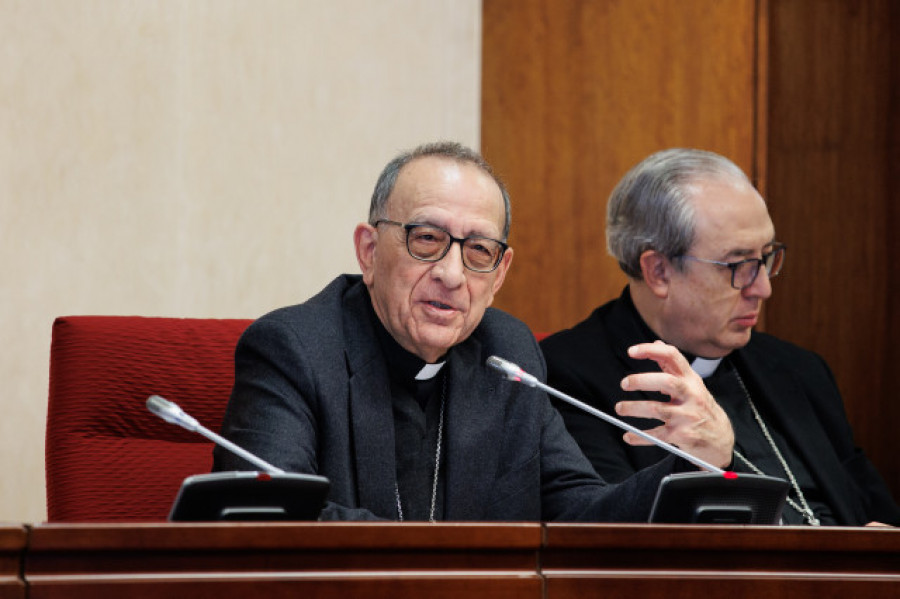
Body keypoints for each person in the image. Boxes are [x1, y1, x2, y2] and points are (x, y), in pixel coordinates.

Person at [213, 141, 733, 521]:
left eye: (479, 251)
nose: (452, 274)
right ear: (369, 252)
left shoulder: (507, 355)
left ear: (499, 274)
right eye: (426, 239)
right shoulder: (293, 349)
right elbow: (269, 518)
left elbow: (580, 516)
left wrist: (691, 469)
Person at [540, 148, 900, 527]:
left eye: (767, 257)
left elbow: (877, 514)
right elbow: (607, 541)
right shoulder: (567, 378)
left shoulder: (800, 371)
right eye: (740, 265)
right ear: (659, 271)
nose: (762, 288)